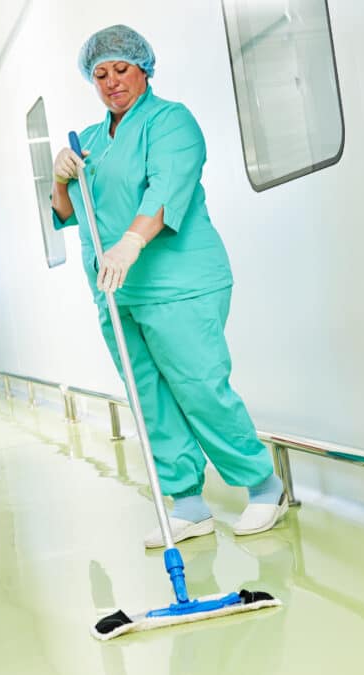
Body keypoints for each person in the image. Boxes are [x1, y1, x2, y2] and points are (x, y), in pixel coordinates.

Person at [51, 24, 286, 548]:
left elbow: (167, 186)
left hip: (179, 283)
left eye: (122, 69)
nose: (112, 82)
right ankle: (188, 503)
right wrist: (59, 176)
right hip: (117, 294)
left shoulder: (170, 121)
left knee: (200, 387)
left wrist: (132, 243)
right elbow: (65, 214)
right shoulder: (87, 143)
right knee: (149, 398)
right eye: (101, 74)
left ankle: (263, 484)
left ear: (144, 69)